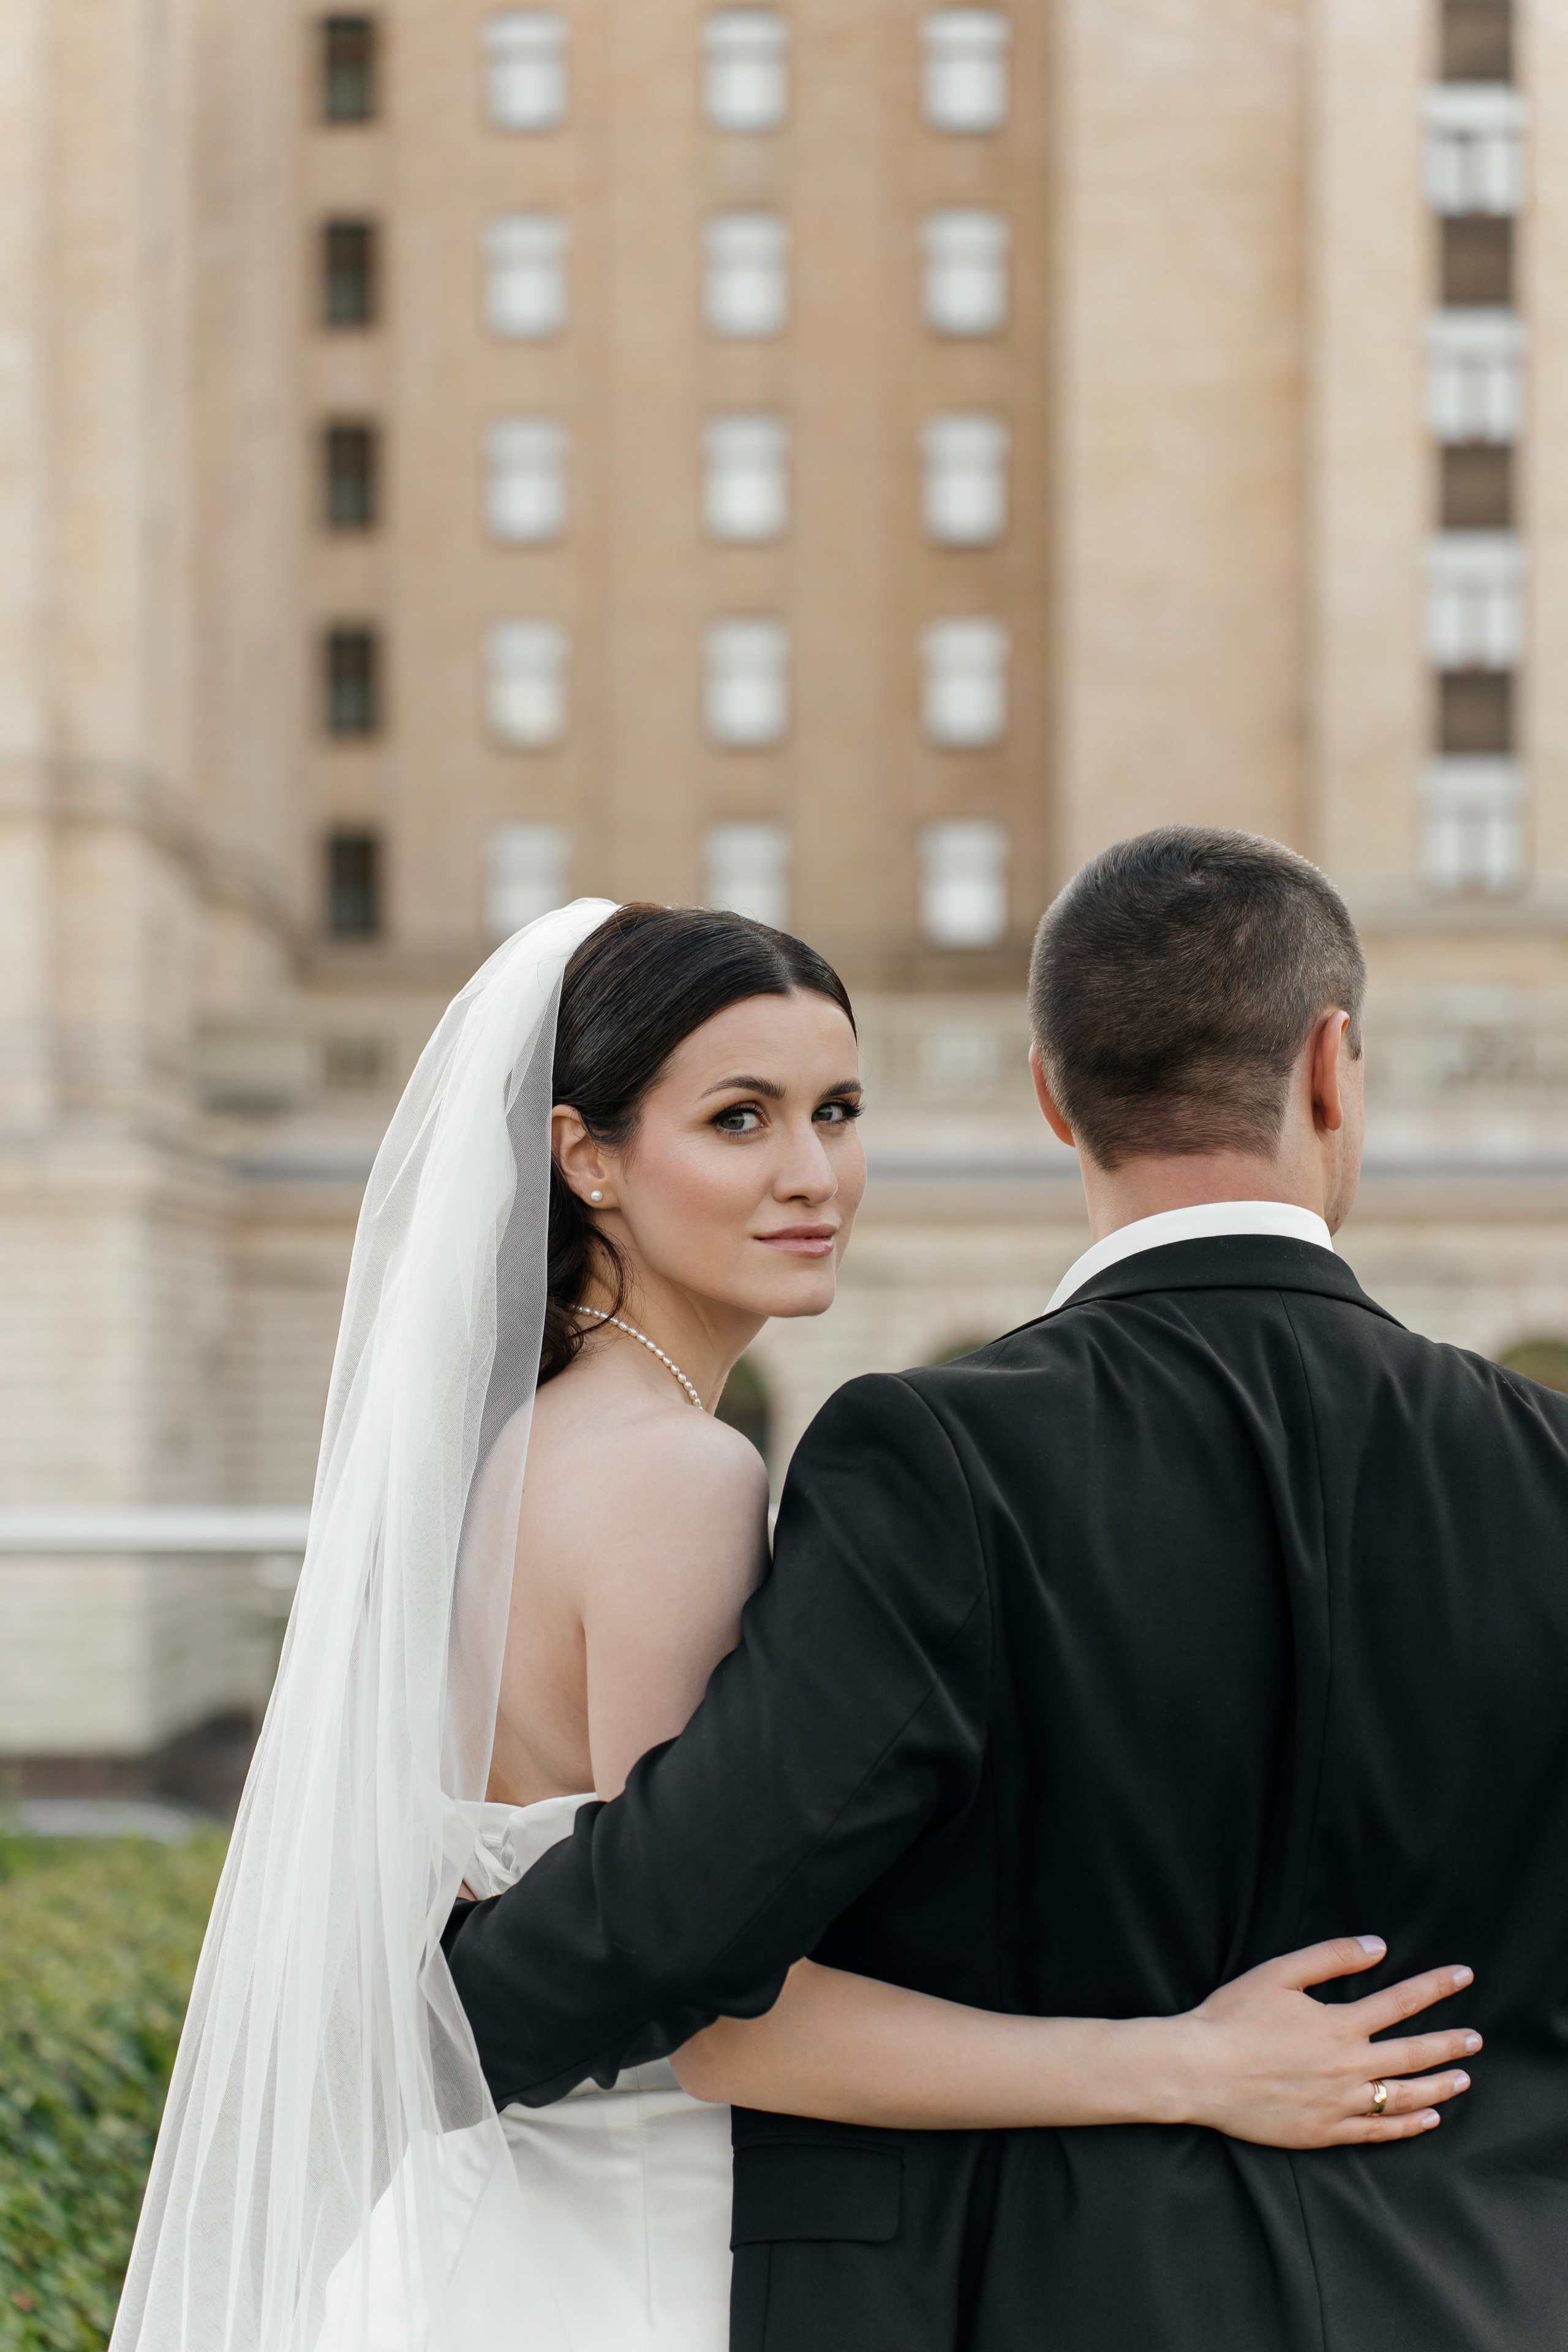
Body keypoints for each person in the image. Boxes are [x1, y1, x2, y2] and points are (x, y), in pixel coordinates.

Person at [114, 894, 1468, 2352]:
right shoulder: (676, 1475)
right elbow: (722, 2019)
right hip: (645, 2259)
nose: (813, 1174)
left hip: (490, 2230)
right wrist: (1190, 2063)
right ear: (587, 1156)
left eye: (836, 1110)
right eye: (739, 1122)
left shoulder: (510, 1453)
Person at [446, 838, 1568, 2352]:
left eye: (833, 1113)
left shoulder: (932, 1458)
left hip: (1046, 2291)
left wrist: (425, 2000)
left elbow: (680, 1916)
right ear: (1332, 1068)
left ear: (1049, 1095)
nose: (810, 1167)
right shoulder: (1545, 1462)